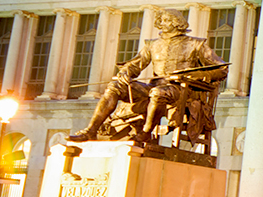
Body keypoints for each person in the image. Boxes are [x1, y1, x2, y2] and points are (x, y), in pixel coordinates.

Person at [71, 10, 226, 145]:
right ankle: (91, 130)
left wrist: (197, 75)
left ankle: (145, 133)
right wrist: (125, 73)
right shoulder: (152, 44)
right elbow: (135, 65)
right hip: (154, 86)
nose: (161, 23)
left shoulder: (196, 44)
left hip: (182, 90)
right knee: (115, 87)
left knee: (157, 93)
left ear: (177, 23)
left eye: (166, 20)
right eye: (161, 20)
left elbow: (221, 69)